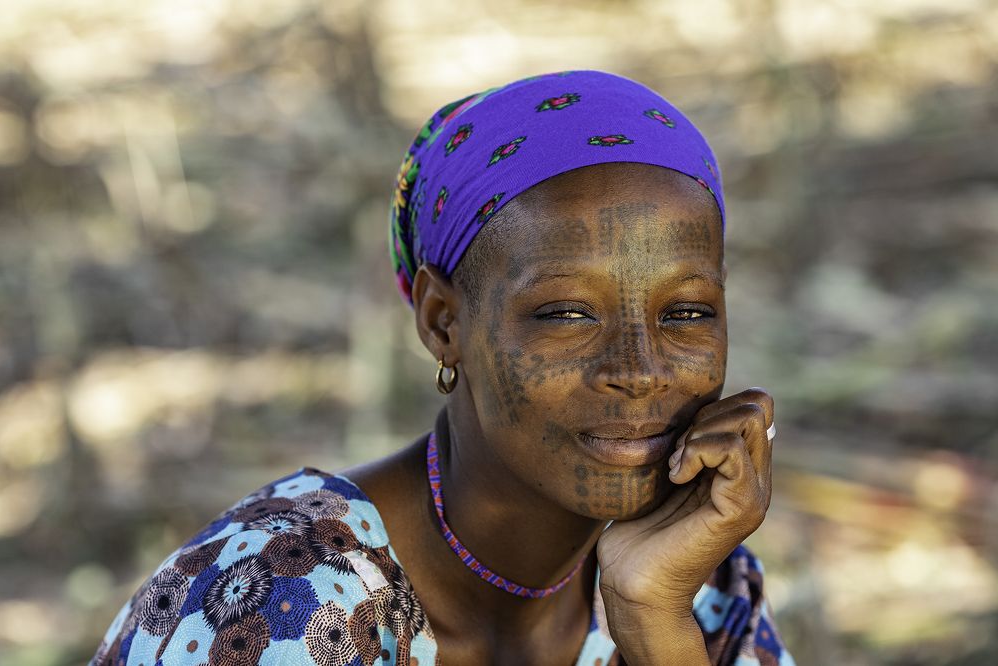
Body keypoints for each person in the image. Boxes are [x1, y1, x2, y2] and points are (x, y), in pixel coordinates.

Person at [92, 70, 795, 665]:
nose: (640, 371)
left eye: (687, 313)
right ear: (443, 321)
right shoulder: (283, 597)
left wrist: (653, 621)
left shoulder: (699, 580)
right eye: (567, 314)